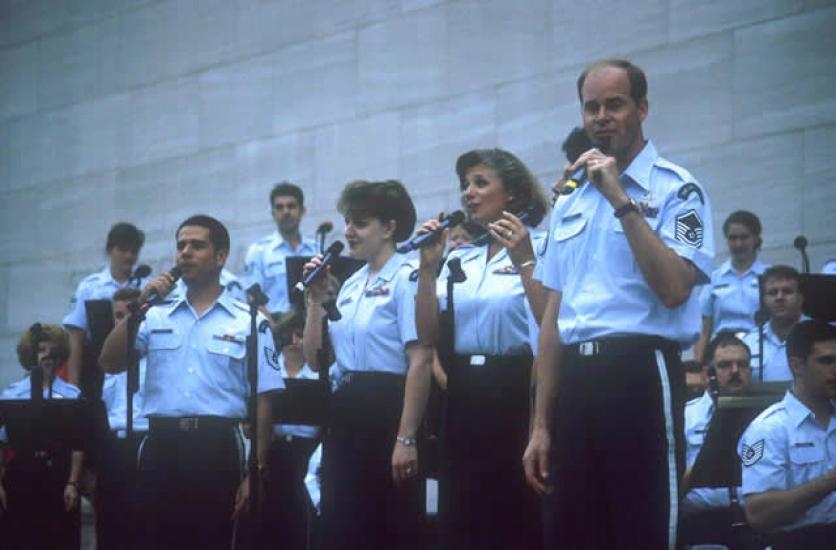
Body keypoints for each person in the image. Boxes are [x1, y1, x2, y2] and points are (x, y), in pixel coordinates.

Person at [524, 58, 715, 550]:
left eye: (615, 104)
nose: (602, 117)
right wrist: (540, 425)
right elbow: (553, 317)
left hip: (639, 373)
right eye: (592, 108)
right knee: (571, 530)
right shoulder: (568, 200)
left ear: (642, 109)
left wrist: (621, 202)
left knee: (640, 527)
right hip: (575, 381)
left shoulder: (679, 190)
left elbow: (675, 288)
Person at [99, 214, 283, 550]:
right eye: (181, 245)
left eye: (197, 245)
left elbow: (265, 401)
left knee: (210, 539)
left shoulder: (250, 321)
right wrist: (138, 306)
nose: (185, 252)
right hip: (161, 445)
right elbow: (109, 362)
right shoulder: (154, 315)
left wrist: (254, 472)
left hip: (216, 448)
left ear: (221, 257)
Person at [414, 148, 549, 549]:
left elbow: (549, 324)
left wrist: (524, 261)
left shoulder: (541, 246)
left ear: (513, 194)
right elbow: (426, 334)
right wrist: (426, 269)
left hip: (515, 387)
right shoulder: (463, 257)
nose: (468, 194)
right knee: (463, 510)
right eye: (465, 186)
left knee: (514, 512)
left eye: (480, 183)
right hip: (463, 395)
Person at [302, 180, 433, 550]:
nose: (348, 232)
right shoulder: (351, 283)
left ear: (389, 227)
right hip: (346, 413)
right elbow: (316, 360)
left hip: (389, 410)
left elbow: (420, 360)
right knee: (343, 524)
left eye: (359, 223)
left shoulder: (408, 277)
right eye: (347, 221)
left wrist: (405, 438)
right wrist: (315, 301)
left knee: (388, 525)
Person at [738, 319, 836, 549]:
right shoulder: (767, 429)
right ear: (797, 365)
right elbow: (759, 515)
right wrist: (828, 483)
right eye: (826, 361)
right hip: (797, 542)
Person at [0, 324, 83, 549]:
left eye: (53, 350)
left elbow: (78, 444)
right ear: (31, 354)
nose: (47, 356)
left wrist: (73, 483)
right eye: (41, 349)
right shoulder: (12, 394)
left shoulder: (72, 395)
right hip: (21, 477)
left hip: (58, 476)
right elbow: (2, 441)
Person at [679, 334, 754, 549]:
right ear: (706, 374)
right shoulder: (686, 417)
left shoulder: (769, 418)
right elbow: (673, 485)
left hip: (755, 516)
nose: (734, 371)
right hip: (699, 518)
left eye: (742, 364)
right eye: (724, 365)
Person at [260, 311, 320, 550]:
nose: (295, 342)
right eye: (290, 335)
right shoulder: (270, 371)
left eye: (300, 335)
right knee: (271, 516)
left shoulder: (318, 373)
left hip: (306, 452)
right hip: (274, 449)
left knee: (301, 516)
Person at [63, 222, 148, 392]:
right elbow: (76, 335)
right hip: (96, 366)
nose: (129, 256)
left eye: (134, 251)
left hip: (138, 368)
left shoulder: (146, 284)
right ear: (110, 250)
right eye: (123, 250)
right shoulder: (90, 287)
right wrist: (72, 386)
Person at [95, 286, 148, 549]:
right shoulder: (108, 356)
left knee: (143, 524)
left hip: (145, 442)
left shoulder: (153, 354)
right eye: (118, 315)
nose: (123, 320)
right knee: (111, 523)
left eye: (129, 313)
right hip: (114, 444)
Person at [695, 211, 768, 362]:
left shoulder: (769, 277)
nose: (738, 244)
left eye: (744, 237)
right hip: (723, 351)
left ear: (756, 238)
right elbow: (704, 328)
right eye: (733, 238)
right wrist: (697, 364)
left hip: (761, 350)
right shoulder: (714, 278)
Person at [243, 182, 318, 316]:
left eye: (291, 206)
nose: (286, 212)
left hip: (312, 325)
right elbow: (251, 295)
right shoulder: (259, 251)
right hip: (275, 327)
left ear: (302, 211)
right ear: (273, 213)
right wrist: (273, 327)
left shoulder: (315, 249)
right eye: (279, 207)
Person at [742, 265, 806, 382]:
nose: (779, 297)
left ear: (800, 298)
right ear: (764, 300)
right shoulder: (749, 343)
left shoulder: (820, 338)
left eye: (787, 291)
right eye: (772, 293)